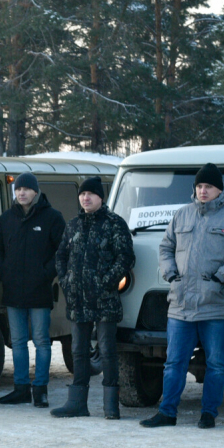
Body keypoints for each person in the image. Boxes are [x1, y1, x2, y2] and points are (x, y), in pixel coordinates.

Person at [141, 163, 224, 429]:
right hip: (180, 305)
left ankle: (209, 413)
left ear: (220, 189)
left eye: (209, 187)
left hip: (216, 305)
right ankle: (167, 412)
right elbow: (166, 247)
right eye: (199, 186)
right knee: (174, 362)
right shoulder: (181, 215)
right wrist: (171, 275)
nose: (203, 191)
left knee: (215, 363)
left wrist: (220, 278)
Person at [51, 177, 134, 419]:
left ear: (101, 197)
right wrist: (66, 281)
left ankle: (111, 406)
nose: (85, 198)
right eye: (82, 194)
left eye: (91, 194)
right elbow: (61, 256)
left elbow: (126, 257)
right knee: (78, 350)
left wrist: (107, 281)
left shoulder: (115, 224)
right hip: (78, 300)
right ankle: (77, 403)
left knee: (107, 349)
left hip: (105, 300)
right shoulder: (73, 225)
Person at [0, 172, 65, 407]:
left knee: (41, 341)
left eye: (26, 189)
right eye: (18, 189)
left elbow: (62, 251)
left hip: (39, 291)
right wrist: (3, 272)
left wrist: (45, 274)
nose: (21, 193)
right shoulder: (7, 218)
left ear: (35, 192)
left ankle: (40, 389)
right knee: (19, 341)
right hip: (13, 291)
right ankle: (21, 388)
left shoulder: (52, 217)